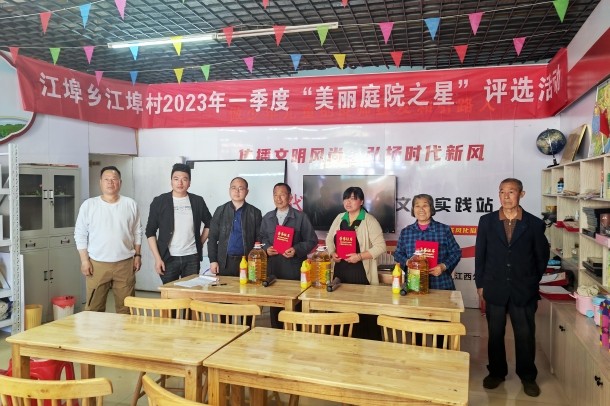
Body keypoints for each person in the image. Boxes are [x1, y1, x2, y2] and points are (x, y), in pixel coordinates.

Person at [475, 178, 549, 398]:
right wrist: (481, 284)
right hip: (494, 286)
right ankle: (496, 372)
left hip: (523, 289)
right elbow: (480, 254)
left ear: (521, 194)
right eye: (502, 192)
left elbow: (541, 257)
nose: (506, 196)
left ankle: (528, 377)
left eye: (511, 192)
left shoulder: (534, 224)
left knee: (525, 334)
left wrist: (531, 281)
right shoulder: (487, 221)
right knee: (495, 333)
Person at [74, 166, 142, 314]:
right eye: (106, 179)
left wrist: (138, 255)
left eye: (114, 179)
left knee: (126, 310)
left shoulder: (130, 204)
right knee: (94, 309)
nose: (110, 182)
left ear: (120, 182)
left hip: (125, 265)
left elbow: (137, 231)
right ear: (100, 182)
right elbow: (80, 234)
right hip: (97, 264)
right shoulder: (89, 205)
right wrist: (84, 260)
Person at [326, 186, 387, 340]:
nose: (348, 202)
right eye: (346, 198)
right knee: (340, 312)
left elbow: (381, 247)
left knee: (363, 314)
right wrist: (332, 253)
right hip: (340, 272)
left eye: (353, 199)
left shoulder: (369, 220)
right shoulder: (340, 217)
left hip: (361, 274)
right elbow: (329, 239)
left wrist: (359, 256)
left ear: (361, 201)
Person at [259, 182, 318, 328]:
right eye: (275, 195)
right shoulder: (267, 218)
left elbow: (312, 240)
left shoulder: (301, 217)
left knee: (295, 309)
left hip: (294, 271)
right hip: (274, 270)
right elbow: (262, 238)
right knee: (276, 309)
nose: (278, 198)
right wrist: (266, 248)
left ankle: (296, 336)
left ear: (290, 197)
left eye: (282, 195)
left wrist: (296, 249)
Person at [145, 163, 212, 285]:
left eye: (184, 179)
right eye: (176, 179)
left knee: (190, 292)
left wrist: (199, 242)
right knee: (171, 294)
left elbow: (210, 223)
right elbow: (150, 231)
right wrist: (157, 258)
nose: (180, 183)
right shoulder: (159, 201)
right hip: (168, 257)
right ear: (171, 181)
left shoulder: (197, 201)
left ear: (189, 182)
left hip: (192, 257)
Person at [393, 194, 462, 290]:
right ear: (413, 209)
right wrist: (408, 262)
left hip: (441, 284)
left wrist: (443, 266)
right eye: (417, 206)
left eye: (425, 205)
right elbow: (397, 254)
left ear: (431, 208)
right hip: (414, 284)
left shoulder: (444, 230)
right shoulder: (406, 232)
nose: (421, 209)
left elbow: (456, 252)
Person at [208, 177, 262, 276]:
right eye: (234, 188)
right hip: (224, 262)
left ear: (247, 191)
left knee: (247, 286)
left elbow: (259, 239)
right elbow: (212, 238)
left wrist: (256, 261)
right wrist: (213, 260)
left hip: (247, 261)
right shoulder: (220, 210)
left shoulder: (255, 212)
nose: (237, 191)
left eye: (241, 188)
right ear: (229, 190)